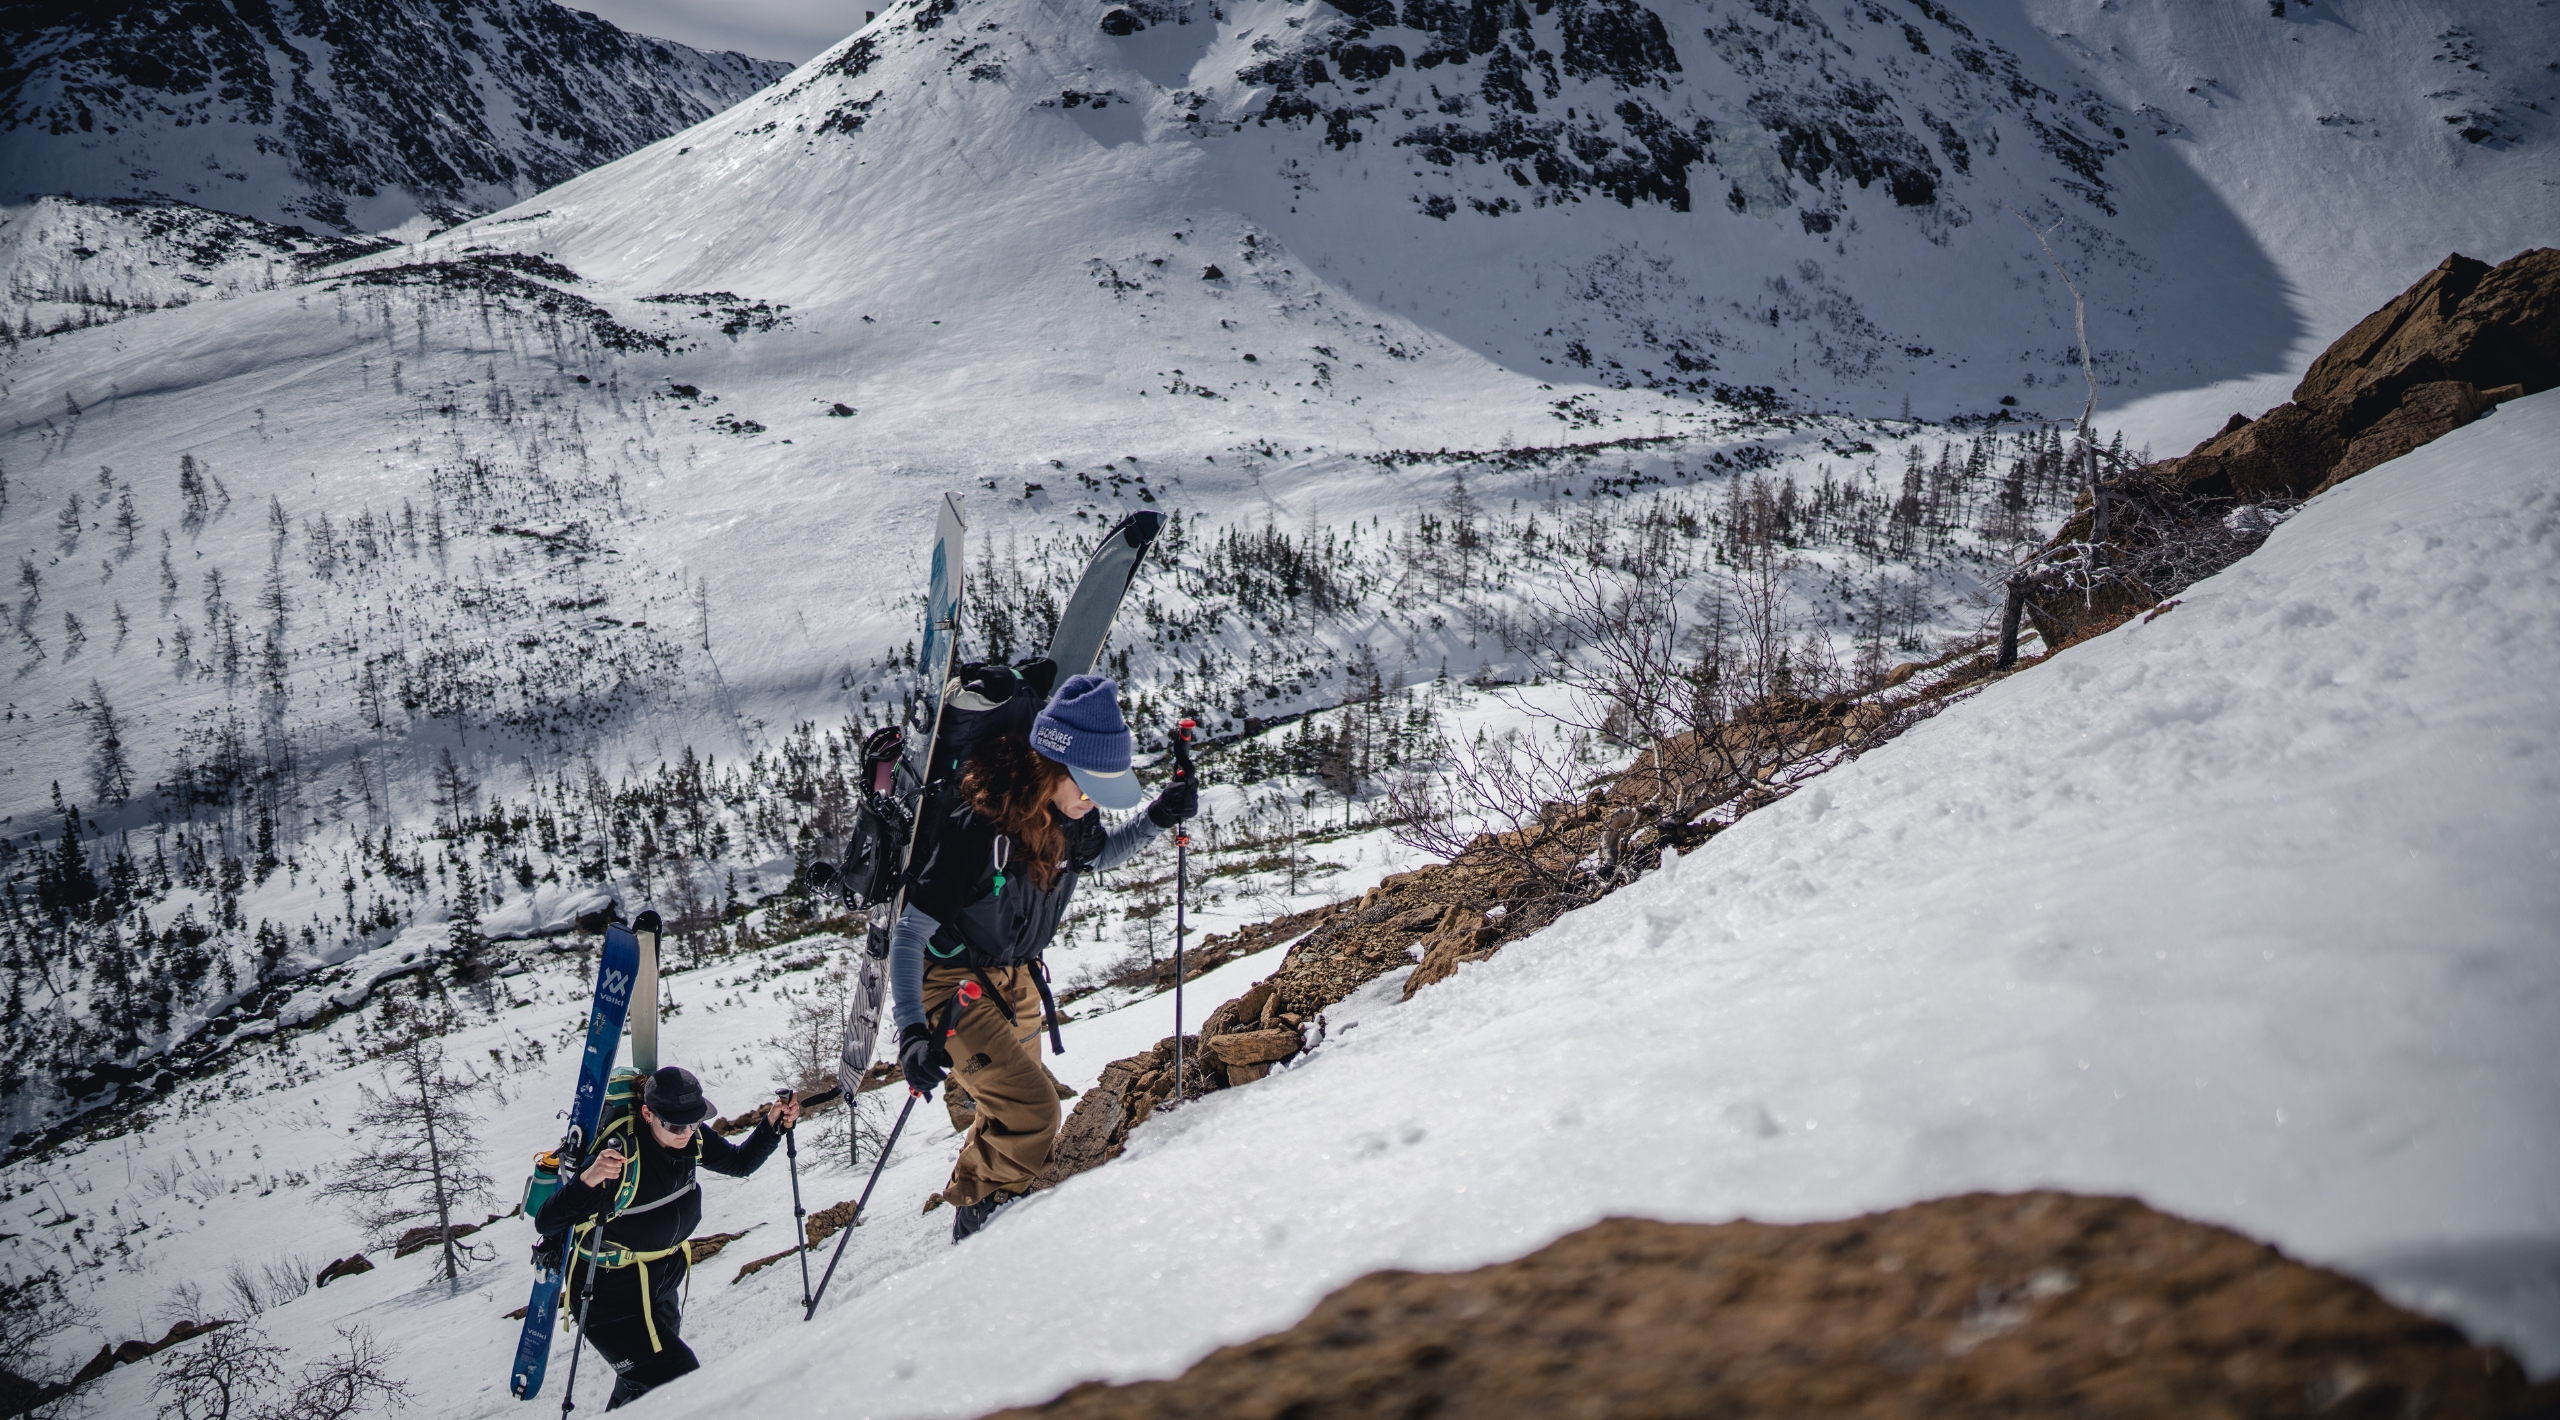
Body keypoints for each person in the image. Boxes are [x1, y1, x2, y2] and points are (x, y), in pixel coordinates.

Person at [892, 674, 1197, 1241]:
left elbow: (1098, 857)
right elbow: (909, 934)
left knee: (1006, 1109)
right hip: (953, 986)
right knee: (1034, 1109)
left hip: (1017, 982)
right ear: (1048, 767)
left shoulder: (1071, 815)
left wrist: (1157, 816)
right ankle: (987, 1231)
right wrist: (911, 1031)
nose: (1091, 800)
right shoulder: (976, 824)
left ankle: (980, 1213)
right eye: (1085, 785)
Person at [535, 1066, 800, 1410]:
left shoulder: (692, 1136)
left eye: (694, 1121)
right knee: (682, 1381)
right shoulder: (618, 1157)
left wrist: (773, 1124)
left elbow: (739, 1164)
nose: (686, 1132)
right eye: (676, 1125)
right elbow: (548, 1221)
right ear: (648, 1114)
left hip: (661, 1286)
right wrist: (587, 1179)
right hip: (609, 1298)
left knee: (642, 1393)